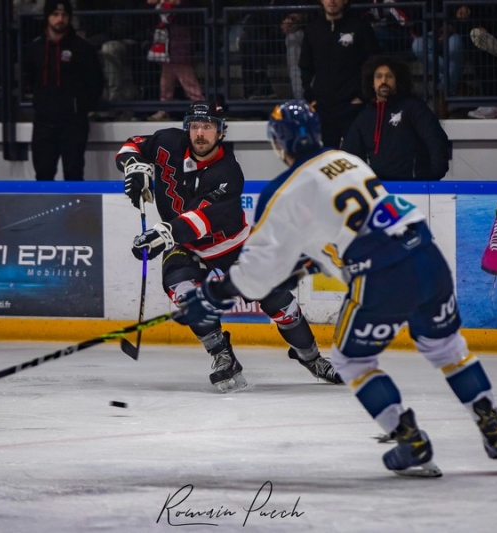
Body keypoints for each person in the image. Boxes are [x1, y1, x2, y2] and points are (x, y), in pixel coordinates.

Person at [177, 100, 497, 476]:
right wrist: (303, 263)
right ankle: (492, 424)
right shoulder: (347, 160)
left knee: (351, 360)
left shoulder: (282, 191)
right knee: (446, 348)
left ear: (279, 143)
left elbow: (257, 274)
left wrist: (211, 296)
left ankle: (410, 441)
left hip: (381, 274)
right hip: (426, 256)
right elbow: (340, 226)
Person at [116, 100, 342, 392]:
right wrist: (133, 167)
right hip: (185, 246)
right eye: (195, 126)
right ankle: (223, 356)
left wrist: (164, 232)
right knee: (182, 292)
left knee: (279, 302)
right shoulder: (167, 141)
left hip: (231, 246)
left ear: (221, 132)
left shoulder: (228, 172)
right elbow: (132, 145)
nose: (200, 133)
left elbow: (202, 218)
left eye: (208, 127)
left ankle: (311, 358)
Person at [23, 0, 103, 181]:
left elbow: (96, 82)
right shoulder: (35, 48)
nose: (60, 19)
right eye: (55, 15)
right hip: (43, 123)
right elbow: (27, 77)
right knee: (43, 175)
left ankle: (77, 211)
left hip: (73, 124)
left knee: (74, 175)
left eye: (64, 15)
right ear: (47, 17)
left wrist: (80, 107)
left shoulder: (83, 48)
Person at [341, 55, 449, 180]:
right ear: (372, 82)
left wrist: (433, 177)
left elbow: (435, 139)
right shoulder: (364, 117)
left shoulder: (413, 107)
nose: (383, 81)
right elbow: (349, 155)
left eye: (389, 76)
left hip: (414, 188)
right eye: (379, 76)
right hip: (381, 190)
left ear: (397, 80)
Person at [299, 0, 378, 148]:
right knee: (328, 163)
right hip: (323, 109)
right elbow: (305, 67)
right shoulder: (312, 30)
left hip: (353, 108)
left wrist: (362, 96)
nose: (332, 1)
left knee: (355, 159)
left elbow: (373, 65)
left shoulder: (360, 28)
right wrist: (311, 97)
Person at [145, 0, 206, 121]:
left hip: (179, 46)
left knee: (188, 81)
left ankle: (202, 108)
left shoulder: (184, 8)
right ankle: (164, 110)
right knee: (165, 83)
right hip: (166, 44)